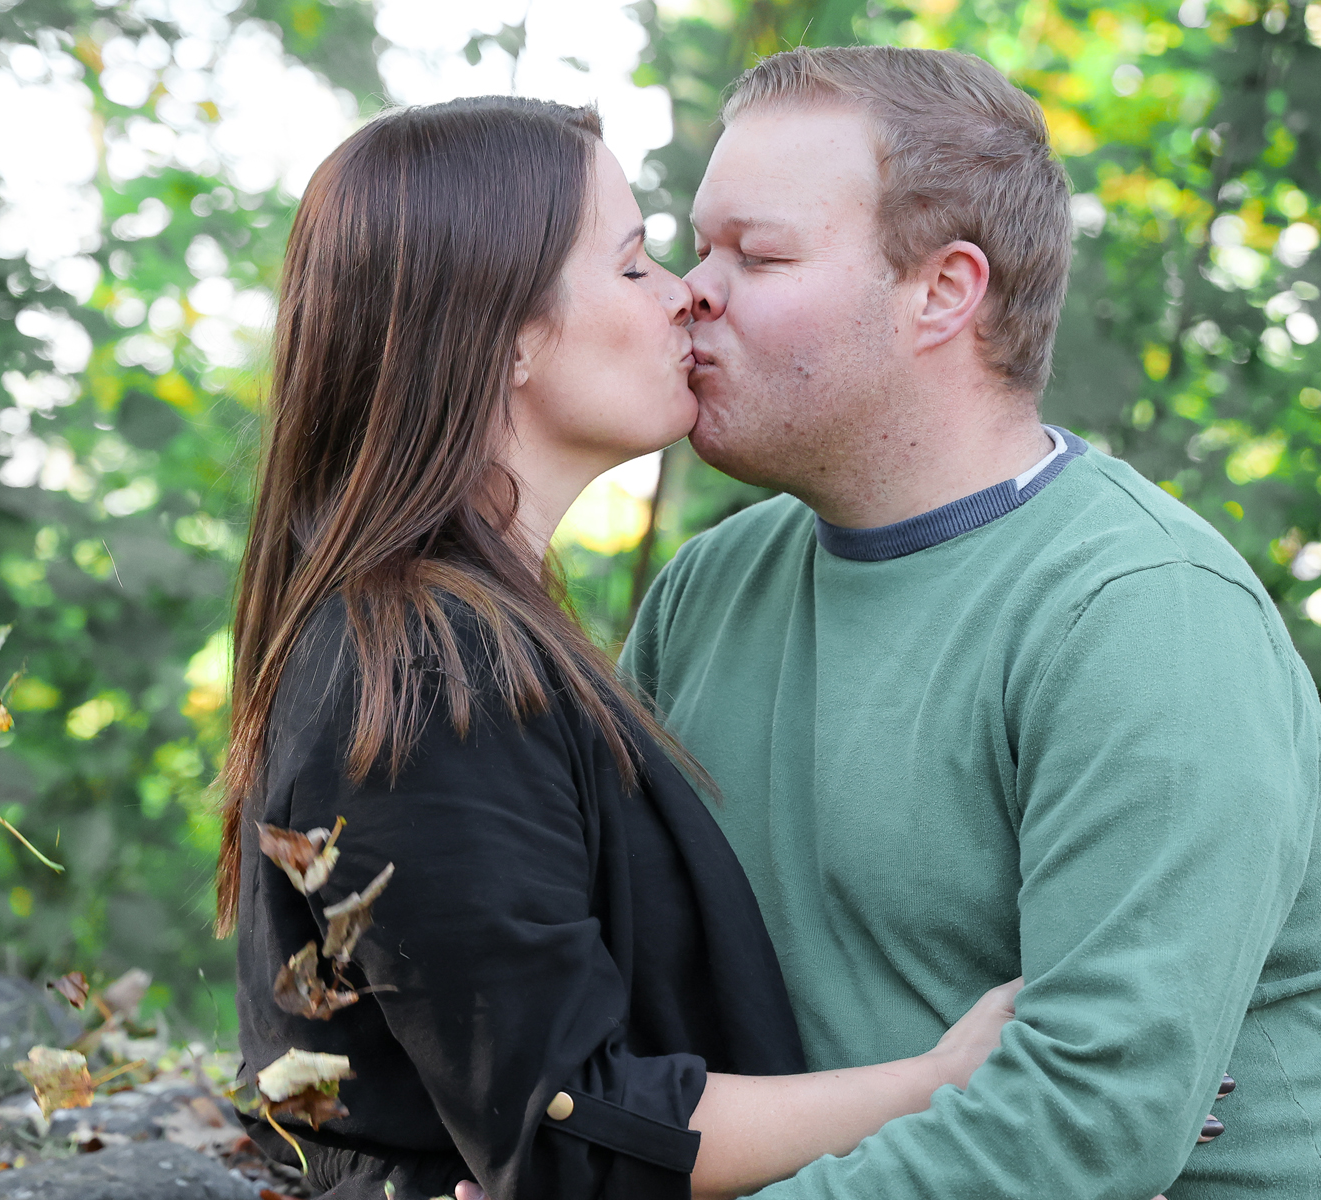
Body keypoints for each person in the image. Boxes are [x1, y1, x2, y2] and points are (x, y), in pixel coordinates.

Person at [222, 95, 1023, 1200]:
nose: (683, 292)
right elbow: (575, 1138)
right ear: (507, 338)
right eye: (635, 262)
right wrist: (939, 1082)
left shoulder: (463, 635)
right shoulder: (423, 672)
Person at [619, 46, 1321, 1198]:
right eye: (701, 246)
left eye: (759, 253)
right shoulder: (709, 588)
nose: (695, 288)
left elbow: (1085, 1126)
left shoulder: (1144, 617)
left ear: (943, 292)